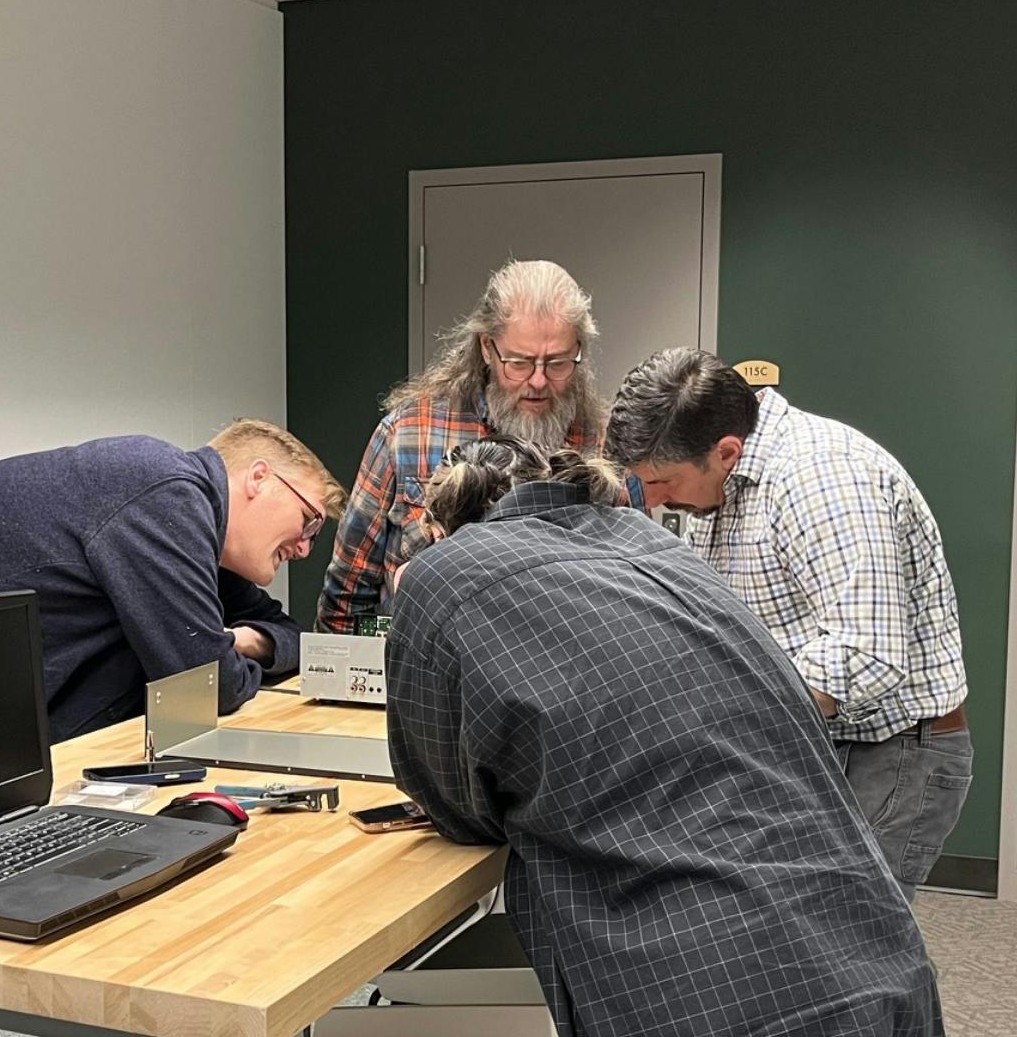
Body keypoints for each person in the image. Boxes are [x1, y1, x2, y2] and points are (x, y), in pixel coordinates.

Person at [386, 436, 943, 1037]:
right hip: (875, 952)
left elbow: (453, 803)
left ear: (446, 524)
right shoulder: (653, 543)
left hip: (705, 989)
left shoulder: (444, 573)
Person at [608, 348, 971, 899]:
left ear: (726, 451)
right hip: (818, 742)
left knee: (849, 945)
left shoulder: (822, 479)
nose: (654, 502)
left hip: (891, 752)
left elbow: (866, 650)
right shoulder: (720, 490)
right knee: (791, 949)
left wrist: (738, 719)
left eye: (661, 482)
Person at [0, 419, 346, 741]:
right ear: (258, 478)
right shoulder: (167, 492)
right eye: (309, 521)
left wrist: (242, 639)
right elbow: (208, 685)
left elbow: (289, 635)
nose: (303, 548)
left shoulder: (190, 528)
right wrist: (222, 651)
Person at [316, 259, 609, 632]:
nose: (538, 381)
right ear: (487, 347)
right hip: (422, 674)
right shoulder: (409, 435)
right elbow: (346, 594)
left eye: (556, 363)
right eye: (519, 363)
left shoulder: (598, 445)